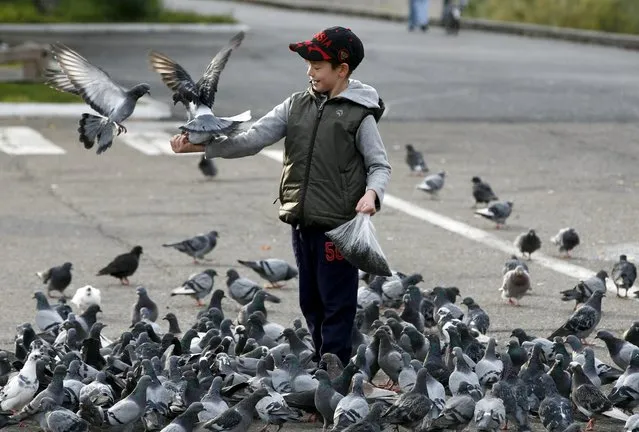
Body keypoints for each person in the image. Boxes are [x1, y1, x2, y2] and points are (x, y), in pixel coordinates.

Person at [169, 26, 392, 366]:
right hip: (302, 222)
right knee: (310, 301)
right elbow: (253, 138)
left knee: (337, 302)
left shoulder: (359, 115)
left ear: (341, 70)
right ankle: (322, 366)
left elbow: (379, 165)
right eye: (308, 65)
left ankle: (334, 370)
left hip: (339, 227)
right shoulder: (296, 105)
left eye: (317, 66)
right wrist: (201, 145)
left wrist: (372, 195)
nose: (309, 72)